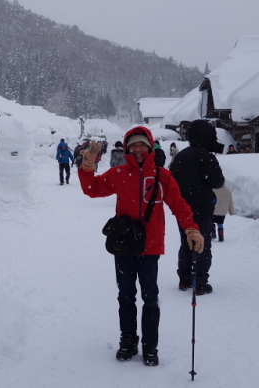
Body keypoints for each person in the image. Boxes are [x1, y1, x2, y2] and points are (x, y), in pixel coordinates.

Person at [78, 126, 204, 366]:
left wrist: (191, 228)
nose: (137, 149)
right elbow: (92, 189)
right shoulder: (118, 173)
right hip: (124, 245)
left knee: (150, 297)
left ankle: (150, 345)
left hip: (150, 247)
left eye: (142, 145)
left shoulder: (162, 175)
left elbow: (179, 204)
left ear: (150, 147)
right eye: (133, 145)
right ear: (127, 148)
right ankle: (127, 340)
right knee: (125, 296)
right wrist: (87, 165)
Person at [169, 120, 225, 295]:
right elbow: (217, 181)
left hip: (182, 208)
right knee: (202, 245)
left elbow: (172, 181)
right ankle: (200, 282)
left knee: (186, 243)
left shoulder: (181, 156)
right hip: (201, 208)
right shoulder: (206, 156)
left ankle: (185, 279)